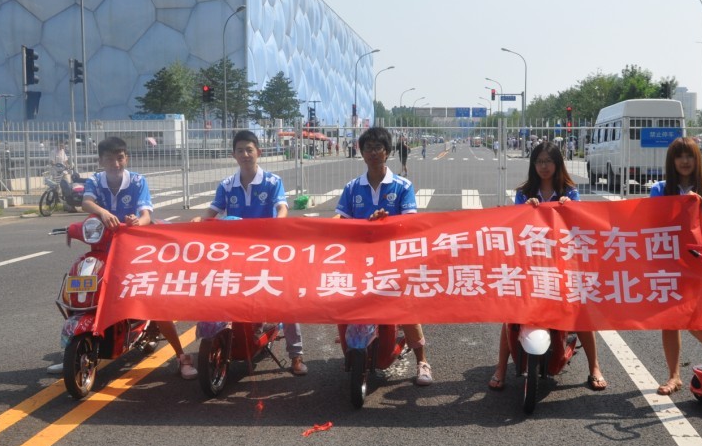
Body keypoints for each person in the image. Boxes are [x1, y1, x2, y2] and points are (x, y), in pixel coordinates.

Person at [47, 136, 198, 379]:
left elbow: (146, 214)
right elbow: (87, 202)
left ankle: (182, 356)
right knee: (81, 288)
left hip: (135, 250)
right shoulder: (95, 180)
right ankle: (70, 350)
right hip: (103, 250)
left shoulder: (137, 181)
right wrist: (103, 213)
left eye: (120, 158)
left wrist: (138, 221)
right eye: (109, 159)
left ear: (126, 158)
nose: (115, 163)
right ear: (101, 161)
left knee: (152, 301)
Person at [489, 140, 608, 391]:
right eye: (540, 161)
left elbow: (579, 227)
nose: (544, 166)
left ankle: (594, 367)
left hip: (562, 264)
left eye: (549, 161)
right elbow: (515, 226)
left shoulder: (570, 192)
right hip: (530, 264)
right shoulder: (524, 193)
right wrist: (525, 210)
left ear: (558, 164)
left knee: (580, 314)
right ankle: (500, 369)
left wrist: (569, 209)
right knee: (511, 316)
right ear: (533, 164)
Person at [194, 130, 307, 375]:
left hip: (267, 250)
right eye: (240, 150)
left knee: (284, 297)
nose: (245, 154)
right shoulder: (226, 185)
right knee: (220, 291)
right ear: (233, 155)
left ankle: (296, 354)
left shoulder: (273, 181)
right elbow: (211, 212)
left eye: (249, 149)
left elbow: (281, 208)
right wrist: (198, 221)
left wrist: (278, 223)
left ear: (259, 152)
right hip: (234, 252)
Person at [332, 126, 433, 386]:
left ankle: (422, 361)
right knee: (345, 301)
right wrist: (328, 226)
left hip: (393, 260)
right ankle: (351, 344)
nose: (373, 152)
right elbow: (342, 219)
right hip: (359, 260)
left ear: (387, 152)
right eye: (368, 148)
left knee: (405, 307)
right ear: (361, 152)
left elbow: (410, 223)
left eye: (378, 147)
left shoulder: (402, 186)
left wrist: (386, 222)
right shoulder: (352, 188)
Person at [651, 136, 702, 396]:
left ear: (697, 159)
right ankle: (674, 376)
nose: (684, 161)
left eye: (689, 155)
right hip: (667, 263)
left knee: (694, 318)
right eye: (679, 156)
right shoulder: (659, 190)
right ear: (671, 161)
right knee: (669, 320)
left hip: (697, 265)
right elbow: (652, 226)